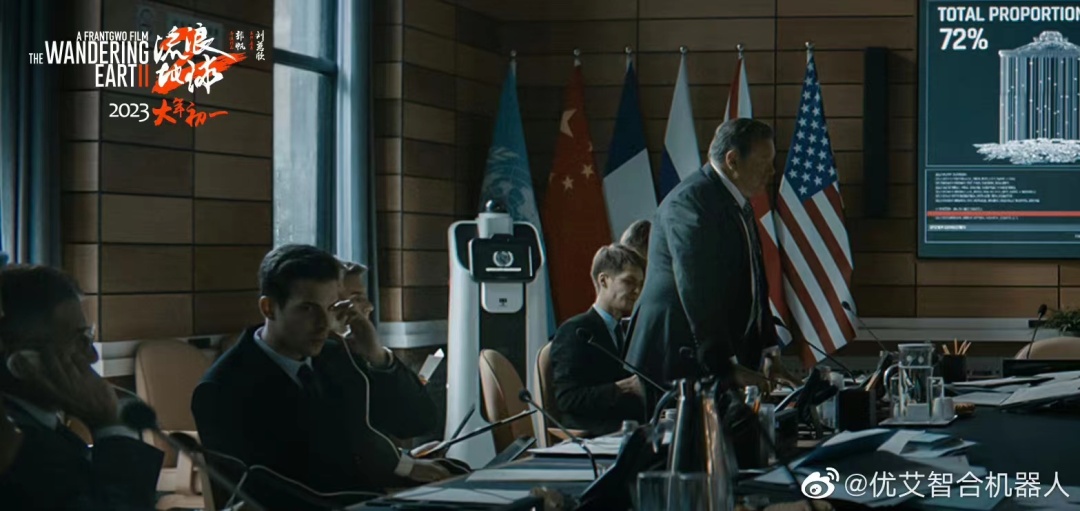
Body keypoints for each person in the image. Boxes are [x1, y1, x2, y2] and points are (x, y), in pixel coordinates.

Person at [192, 245, 446, 510]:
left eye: (331, 308)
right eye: (308, 309)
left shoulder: (336, 356)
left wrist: (377, 356)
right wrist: (395, 474)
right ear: (269, 308)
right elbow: (265, 493)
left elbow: (417, 422)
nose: (324, 323)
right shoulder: (223, 388)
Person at [626, 118, 798, 392]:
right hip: (674, 356)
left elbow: (755, 282)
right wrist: (725, 366)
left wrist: (769, 353)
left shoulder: (736, 200)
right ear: (732, 160)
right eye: (763, 162)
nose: (772, 171)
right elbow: (697, 290)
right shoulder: (690, 202)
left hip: (708, 357)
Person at [0, 265, 163, 510]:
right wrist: (109, 425)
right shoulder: (17, 446)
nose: (92, 356)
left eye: (89, 337)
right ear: (23, 362)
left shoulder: (47, 430)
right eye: (79, 340)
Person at [550, 244, 646, 436]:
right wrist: (624, 387)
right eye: (629, 281)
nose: (637, 290)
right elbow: (567, 398)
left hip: (626, 430)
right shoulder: (574, 330)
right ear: (603, 280)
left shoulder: (626, 329)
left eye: (640, 284)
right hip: (593, 436)